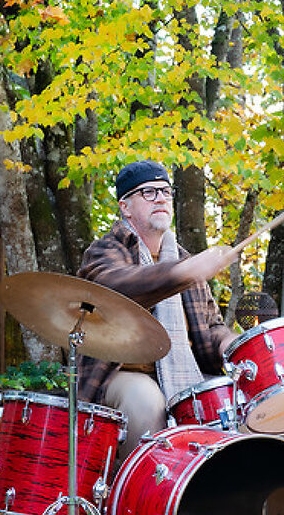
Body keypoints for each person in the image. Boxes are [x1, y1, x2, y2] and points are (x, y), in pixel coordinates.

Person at [77, 160, 239, 456]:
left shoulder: (182, 258)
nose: (161, 198)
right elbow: (117, 287)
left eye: (166, 191)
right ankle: (136, 498)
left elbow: (210, 325)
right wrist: (182, 273)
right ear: (125, 207)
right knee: (146, 402)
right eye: (148, 192)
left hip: (185, 373)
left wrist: (231, 344)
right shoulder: (105, 250)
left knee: (238, 403)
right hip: (121, 374)